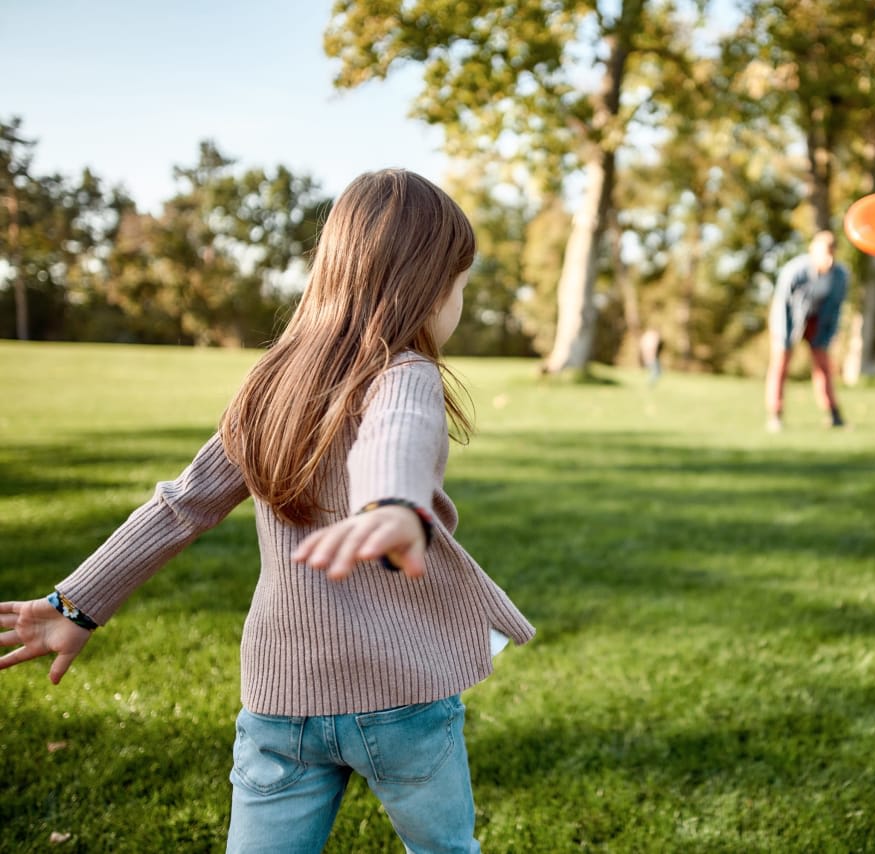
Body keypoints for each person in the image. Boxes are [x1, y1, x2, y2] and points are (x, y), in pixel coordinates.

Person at [0, 169, 535, 853]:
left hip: (281, 701)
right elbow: (398, 430)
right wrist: (394, 503)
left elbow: (180, 506)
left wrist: (77, 605)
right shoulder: (407, 373)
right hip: (403, 697)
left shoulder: (269, 385)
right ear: (429, 287)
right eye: (460, 287)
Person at [765, 230, 849, 431]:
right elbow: (782, 305)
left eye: (831, 253)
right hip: (789, 319)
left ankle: (833, 414)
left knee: (823, 367)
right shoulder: (794, 271)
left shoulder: (839, 275)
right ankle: (775, 415)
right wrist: (784, 337)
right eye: (823, 253)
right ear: (812, 251)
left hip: (818, 321)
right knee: (780, 365)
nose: (827, 258)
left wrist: (830, 334)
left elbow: (836, 308)